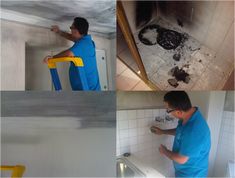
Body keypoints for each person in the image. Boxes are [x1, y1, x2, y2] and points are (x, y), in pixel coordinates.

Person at [151, 91, 211, 177]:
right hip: (183, 172)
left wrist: (165, 151)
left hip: (192, 175)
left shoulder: (194, 130)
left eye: (168, 110)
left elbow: (181, 159)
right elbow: (180, 132)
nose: (168, 112)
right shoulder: (189, 116)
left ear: (179, 112)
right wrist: (163, 131)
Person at [43, 17, 101, 91]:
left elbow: (69, 54)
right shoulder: (86, 42)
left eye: (71, 27)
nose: (70, 30)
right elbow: (73, 38)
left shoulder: (84, 44)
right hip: (85, 87)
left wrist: (52, 58)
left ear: (76, 31)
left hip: (89, 89)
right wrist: (59, 32)